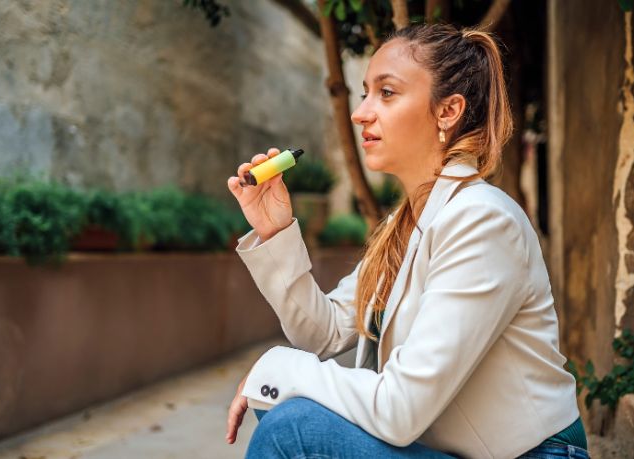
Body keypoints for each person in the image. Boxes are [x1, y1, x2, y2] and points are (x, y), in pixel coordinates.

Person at [224, 23, 588, 459]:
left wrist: (276, 368)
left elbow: (400, 409)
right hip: (445, 448)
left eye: (388, 93)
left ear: (447, 111)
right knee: (288, 406)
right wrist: (276, 231)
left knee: (294, 429)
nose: (361, 113)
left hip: (530, 455)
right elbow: (324, 333)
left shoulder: (482, 221)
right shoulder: (409, 221)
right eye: (365, 93)